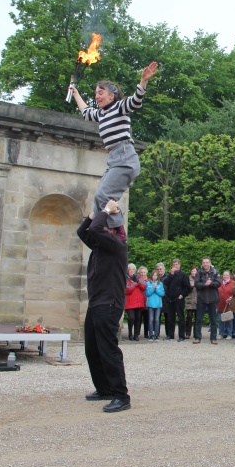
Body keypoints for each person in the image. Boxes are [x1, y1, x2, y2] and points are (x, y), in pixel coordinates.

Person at [70, 62, 158, 229]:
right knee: (99, 198)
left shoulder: (119, 107)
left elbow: (135, 101)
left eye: (100, 93)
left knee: (104, 195)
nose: (97, 96)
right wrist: (75, 94)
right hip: (114, 158)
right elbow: (86, 112)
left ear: (112, 96)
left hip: (124, 156)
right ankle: (101, 230)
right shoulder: (101, 114)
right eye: (96, 93)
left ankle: (116, 232)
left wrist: (143, 81)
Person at [77, 199, 130, 413]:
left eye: (108, 226)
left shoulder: (117, 245)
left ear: (113, 230)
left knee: (109, 350)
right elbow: (83, 232)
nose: (103, 228)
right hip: (97, 302)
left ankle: (121, 396)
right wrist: (94, 213)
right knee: (92, 347)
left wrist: (107, 211)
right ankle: (105, 388)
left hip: (109, 302)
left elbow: (97, 229)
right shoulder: (101, 245)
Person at [193, 257, 221, 345]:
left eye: (207, 262)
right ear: (202, 263)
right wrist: (204, 284)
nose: (205, 264)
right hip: (201, 299)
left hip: (213, 299)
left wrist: (211, 283)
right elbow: (196, 284)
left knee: (213, 320)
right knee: (198, 320)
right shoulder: (199, 273)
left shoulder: (215, 272)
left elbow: (218, 283)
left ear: (210, 263)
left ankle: (213, 338)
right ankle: (197, 337)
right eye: (204, 262)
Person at [163, 259, 191, 342]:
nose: (175, 266)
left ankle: (181, 336)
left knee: (181, 317)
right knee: (170, 318)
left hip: (179, 299)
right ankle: (170, 335)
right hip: (170, 299)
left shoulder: (183, 275)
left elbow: (187, 287)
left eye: (177, 264)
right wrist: (171, 274)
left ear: (179, 265)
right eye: (174, 264)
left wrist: (182, 295)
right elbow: (165, 283)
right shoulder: (170, 275)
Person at [125, 266, 147, 340]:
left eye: (133, 269)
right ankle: (130, 334)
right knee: (131, 318)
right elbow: (127, 290)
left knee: (138, 319)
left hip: (139, 302)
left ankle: (136, 335)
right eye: (130, 269)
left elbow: (144, 287)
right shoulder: (125, 278)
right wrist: (135, 283)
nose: (131, 271)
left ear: (135, 270)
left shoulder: (138, 278)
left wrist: (137, 282)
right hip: (130, 302)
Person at [145, 270, 165, 341]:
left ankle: (156, 335)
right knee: (150, 320)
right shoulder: (148, 284)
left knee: (157, 320)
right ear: (151, 276)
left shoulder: (160, 284)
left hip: (158, 304)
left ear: (158, 277)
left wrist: (156, 290)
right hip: (150, 304)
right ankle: (150, 335)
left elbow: (162, 294)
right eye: (153, 275)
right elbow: (147, 293)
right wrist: (153, 289)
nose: (155, 277)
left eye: (156, 275)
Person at [217, 270, 234, 339]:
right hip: (220, 304)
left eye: (227, 275)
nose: (225, 276)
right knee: (220, 320)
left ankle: (229, 334)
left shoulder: (233, 283)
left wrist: (231, 298)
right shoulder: (219, 283)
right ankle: (221, 333)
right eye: (224, 275)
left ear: (229, 276)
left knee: (229, 320)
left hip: (229, 305)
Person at [185, 266, 198, 339]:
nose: (193, 272)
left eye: (195, 271)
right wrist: (190, 287)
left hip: (197, 301)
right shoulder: (187, 279)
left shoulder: (199, 279)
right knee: (189, 317)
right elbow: (185, 289)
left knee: (197, 318)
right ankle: (187, 333)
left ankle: (196, 333)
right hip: (189, 300)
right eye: (192, 271)